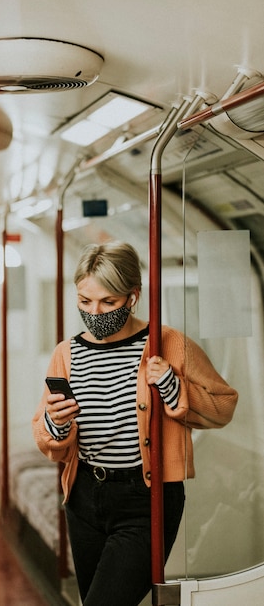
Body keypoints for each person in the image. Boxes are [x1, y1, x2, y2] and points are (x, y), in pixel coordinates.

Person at [32, 241, 238, 606]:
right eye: (84, 301)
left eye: (108, 302)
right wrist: (55, 423)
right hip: (83, 497)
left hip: (145, 500)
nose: (94, 312)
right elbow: (51, 441)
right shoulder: (67, 353)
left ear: (133, 296)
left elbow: (223, 406)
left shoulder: (167, 343)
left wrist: (174, 388)